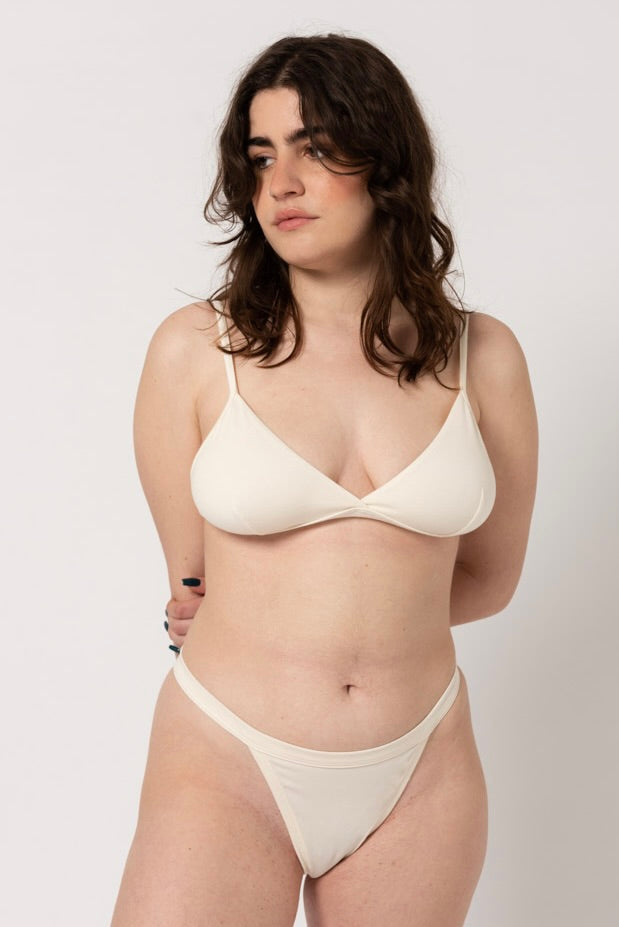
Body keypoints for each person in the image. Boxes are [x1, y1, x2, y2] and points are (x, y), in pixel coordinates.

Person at [110, 33, 538, 927]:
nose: (282, 184)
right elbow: (192, 585)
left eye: (313, 148)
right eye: (262, 156)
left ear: (385, 164)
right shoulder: (195, 351)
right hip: (227, 755)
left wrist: (363, 617)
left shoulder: (484, 355)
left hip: (421, 764)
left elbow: (489, 577)